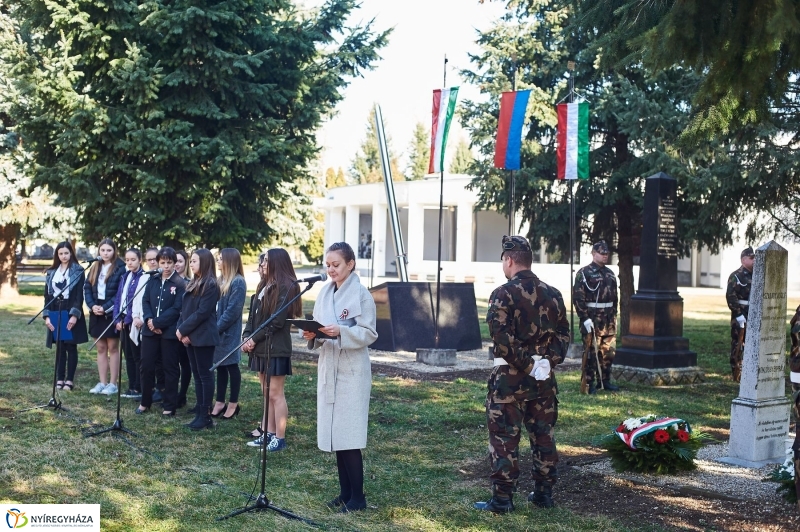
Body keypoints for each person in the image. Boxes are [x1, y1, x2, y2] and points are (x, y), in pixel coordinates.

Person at [474, 235, 569, 514]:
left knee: (504, 439)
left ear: (509, 260)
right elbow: (564, 335)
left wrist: (528, 365)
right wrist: (546, 363)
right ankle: (543, 493)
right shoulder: (553, 294)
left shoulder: (503, 294)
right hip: (543, 381)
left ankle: (503, 499)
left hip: (509, 382)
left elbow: (502, 341)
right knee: (544, 437)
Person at [302, 242, 377, 513]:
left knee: (349, 434)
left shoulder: (361, 295)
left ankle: (358, 497)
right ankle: (345, 492)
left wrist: (340, 333)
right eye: (328, 265)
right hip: (329, 366)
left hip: (351, 371)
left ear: (350, 264)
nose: (331, 269)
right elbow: (320, 326)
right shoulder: (324, 292)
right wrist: (313, 334)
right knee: (336, 433)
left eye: (336, 265)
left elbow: (369, 332)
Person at [244, 248, 301, 451]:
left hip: (276, 348)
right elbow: (252, 318)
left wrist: (253, 339)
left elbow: (276, 322)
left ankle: (280, 437)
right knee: (266, 393)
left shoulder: (286, 287)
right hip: (259, 347)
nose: (263, 264)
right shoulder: (263, 285)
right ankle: (267, 433)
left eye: (267, 261)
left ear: (277, 262)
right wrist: (246, 337)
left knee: (276, 393)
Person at [176, 248, 220, 430]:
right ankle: (200, 412)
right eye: (191, 261)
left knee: (205, 375)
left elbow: (202, 313)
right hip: (191, 335)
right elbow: (184, 310)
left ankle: (205, 415)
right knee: (197, 374)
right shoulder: (194, 282)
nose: (191, 263)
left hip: (203, 337)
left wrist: (185, 331)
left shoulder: (210, 284)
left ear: (205, 262)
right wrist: (181, 330)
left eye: (194, 261)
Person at [138, 247, 185, 415]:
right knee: (146, 365)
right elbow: (146, 301)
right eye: (163, 263)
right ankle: (145, 401)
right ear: (158, 263)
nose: (166, 266)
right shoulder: (153, 280)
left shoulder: (180, 283)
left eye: (169, 263)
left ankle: (169, 405)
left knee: (170, 367)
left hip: (169, 332)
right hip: (150, 331)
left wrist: (158, 323)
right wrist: (150, 321)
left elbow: (177, 308)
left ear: (174, 263)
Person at [572, 241, 619, 394]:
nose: (605, 256)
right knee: (591, 353)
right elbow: (578, 298)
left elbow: (615, 298)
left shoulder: (610, 274)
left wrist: (614, 316)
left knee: (608, 352)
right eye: (601, 253)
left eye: (606, 253)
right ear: (593, 253)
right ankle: (588, 383)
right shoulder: (584, 273)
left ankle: (604, 381)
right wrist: (584, 318)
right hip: (592, 319)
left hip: (608, 320)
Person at [43, 242, 88, 391]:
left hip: (70, 309)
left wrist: (74, 315)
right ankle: (60, 378)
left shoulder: (78, 271)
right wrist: (47, 316)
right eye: (61, 253)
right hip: (56, 309)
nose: (63, 256)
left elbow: (78, 296)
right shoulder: (51, 272)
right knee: (60, 347)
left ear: (71, 253)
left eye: (66, 253)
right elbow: (47, 296)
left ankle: (69, 380)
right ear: (57, 255)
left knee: (70, 346)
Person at [84, 238, 125, 395]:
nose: (106, 253)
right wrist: (92, 305)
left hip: (111, 311)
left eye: (109, 250)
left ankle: (113, 384)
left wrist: (106, 308)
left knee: (113, 348)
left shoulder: (120, 268)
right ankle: (102, 382)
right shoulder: (95, 267)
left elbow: (120, 293)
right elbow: (87, 288)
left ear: (114, 251)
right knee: (100, 348)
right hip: (96, 310)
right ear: (99, 251)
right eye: (103, 250)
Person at [211, 248, 246, 420]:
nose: (218, 262)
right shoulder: (220, 280)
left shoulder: (238, 282)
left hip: (229, 332)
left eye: (220, 259)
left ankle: (233, 403)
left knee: (231, 366)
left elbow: (233, 311)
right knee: (220, 366)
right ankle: (219, 401)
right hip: (217, 331)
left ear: (230, 261)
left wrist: (216, 328)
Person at [113, 249, 146, 400]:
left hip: (134, 322)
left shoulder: (143, 277)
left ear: (140, 260)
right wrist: (117, 319)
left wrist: (127, 320)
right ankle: (131, 385)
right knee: (128, 355)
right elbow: (119, 299)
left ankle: (139, 386)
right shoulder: (125, 276)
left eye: (133, 259)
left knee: (137, 355)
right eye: (127, 260)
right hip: (123, 322)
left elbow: (137, 301)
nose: (130, 262)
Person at [725, 246, 755, 382]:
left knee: (752, 343)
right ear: (743, 260)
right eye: (751, 258)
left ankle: (749, 372)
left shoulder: (757, 274)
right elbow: (731, 296)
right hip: (741, 314)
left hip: (753, 313)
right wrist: (737, 314)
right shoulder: (736, 276)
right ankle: (736, 373)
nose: (754, 260)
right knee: (738, 343)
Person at [174, 249, 193, 408]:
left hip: (183, 328)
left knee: (184, 363)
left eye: (180, 261)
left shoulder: (189, 283)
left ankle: (182, 394)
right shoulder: (166, 280)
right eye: (175, 261)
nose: (176, 264)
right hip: (167, 328)